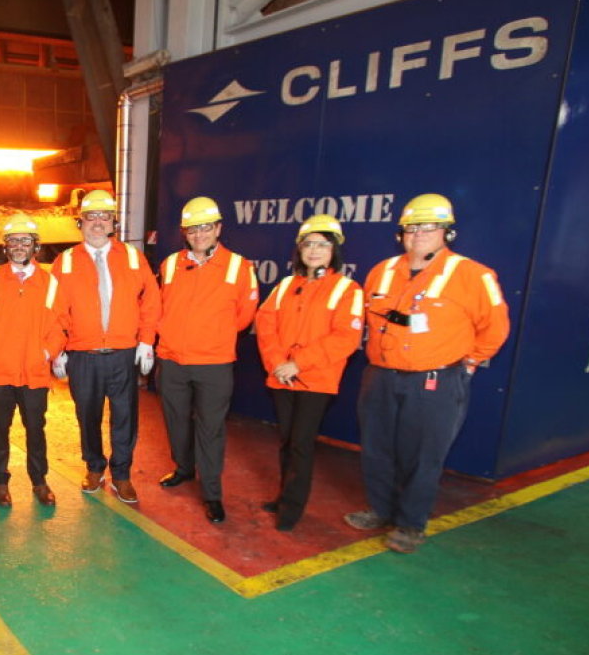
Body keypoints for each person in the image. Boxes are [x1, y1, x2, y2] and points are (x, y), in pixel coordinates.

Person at [348, 193, 510, 553]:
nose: (419, 234)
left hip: (435, 380)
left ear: (447, 232)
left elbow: (495, 328)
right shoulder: (382, 271)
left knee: (423, 454)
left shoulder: (472, 274)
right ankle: (381, 509)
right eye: (411, 227)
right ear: (400, 233)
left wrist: (467, 363)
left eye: (429, 227)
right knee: (377, 447)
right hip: (382, 376)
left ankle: (410, 524)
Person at [50, 189, 160, 504]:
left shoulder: (131, 257)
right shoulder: (66, 261)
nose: (97, 223)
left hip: (123, 353)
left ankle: (122, 475)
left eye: (104, 216)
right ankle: (94, 467)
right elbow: (54, 309)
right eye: (91, 217)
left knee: (125, 415)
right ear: (80, 222)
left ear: (113, 222)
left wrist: (146, 340)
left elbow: (151, 299)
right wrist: (57, 348)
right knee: (88, 415)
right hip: (82, 354)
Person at [254, 214, 364, 531]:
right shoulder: (287, 285)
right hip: (281, 376)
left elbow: (346, 337)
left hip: (315, 380)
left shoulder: (347, 290)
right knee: (287, 440)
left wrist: (298, 363)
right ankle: (284, 496)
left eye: (322, 244)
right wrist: (277, 362)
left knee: (301, 443)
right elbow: (266, 324)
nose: (314, 250)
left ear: (334, 250)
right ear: (299, 249)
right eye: (308, 244)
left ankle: (291, 509)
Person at [156, 196, 259, 524]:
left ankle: (212, 493)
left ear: (218, 228)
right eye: (192, 228)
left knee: (210, 428)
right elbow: (161, 306)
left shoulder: (239, 267)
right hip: (171, 359)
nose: (199, 234)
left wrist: (214, 335)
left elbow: (244, 315)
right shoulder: (170, 264)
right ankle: (184, 469)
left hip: (214, 363)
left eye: (205, 227)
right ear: (184, 232)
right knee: (175, 421)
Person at [0, 214, 69, 508]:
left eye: (25, 240)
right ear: (5, 246)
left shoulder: (49, 283)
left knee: (36, 429)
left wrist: (47, 352)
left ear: (35, 245)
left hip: (35, 373)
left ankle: (39, 481)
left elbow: (62, 323)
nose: (19, 246)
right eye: (13, 241)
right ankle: (0, 481)